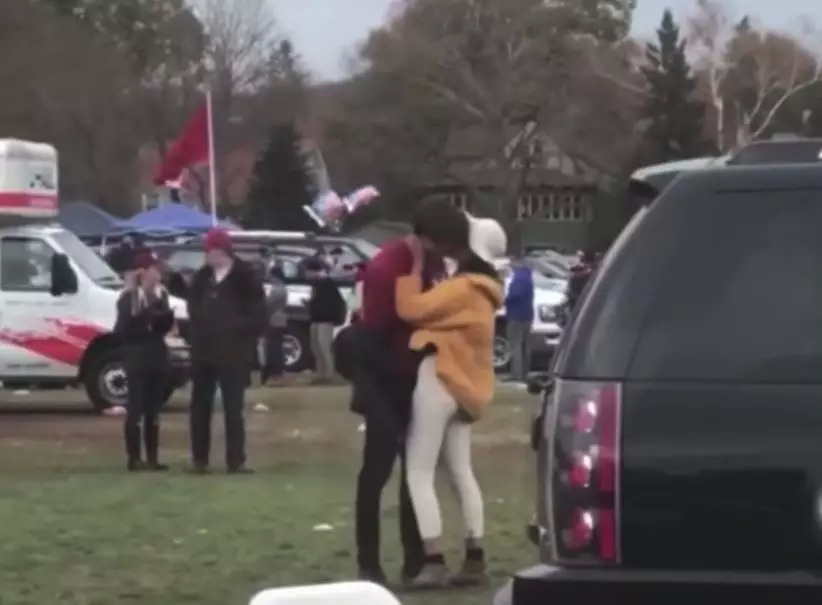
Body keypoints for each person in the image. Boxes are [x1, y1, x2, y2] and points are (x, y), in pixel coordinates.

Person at [339, 200, 467, 585]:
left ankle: (416, 560)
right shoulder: (386, 268)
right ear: (425, 239)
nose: (447, 254)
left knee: (416, 471)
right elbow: (375, 331)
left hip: (411, 377)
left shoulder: (432, 268)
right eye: (444, 245)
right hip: (381, 376)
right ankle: (368, 562)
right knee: (377, 468)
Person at [397, 214, 506, 589]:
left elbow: (410, 308)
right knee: (461, 473)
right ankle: (475, 557)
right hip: (466, 391)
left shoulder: (462, 289)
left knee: (419, 472)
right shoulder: (487, 293)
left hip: (440, 379)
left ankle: (433, 560)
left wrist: (412, 268)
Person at [187, 228, 266, 474]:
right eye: (207, 252)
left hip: (234, 352)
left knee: (233, 407)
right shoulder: (202, 278)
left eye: (212, 251)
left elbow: (257, 314)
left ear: (224, 251)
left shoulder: (245, 277)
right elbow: (192, 308)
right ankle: (199, 459)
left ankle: (236, 460)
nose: (208, 257)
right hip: (204, 352)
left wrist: (233, 329)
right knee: (200, 407)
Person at [114, 250, 175, 472]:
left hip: (156, 356)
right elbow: (122, 329)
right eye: (154, 268)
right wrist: (138, 300)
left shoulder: (162, 294)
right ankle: (134, 458)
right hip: (137, 357)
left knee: (154, 410)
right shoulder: (129, 298)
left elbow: (162, 326)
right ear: (144, 271)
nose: (158, 272)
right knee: (136, 409)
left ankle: (152, 457)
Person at [306, 259, 346, 384]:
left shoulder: (327, 283)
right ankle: (320, 373)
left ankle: (329, 374)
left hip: (325, 319)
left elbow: (331, 303)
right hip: (316, 319)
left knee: (325, 346)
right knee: (316, 347)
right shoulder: (316, 284)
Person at [504, 260, 534, 383]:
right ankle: (524, 373)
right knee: (525, 346)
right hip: (527, 315)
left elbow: (516, 295)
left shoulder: (519, 278)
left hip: (516, 315)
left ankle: (516, 374)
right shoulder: (528, 277)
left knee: (515, 345)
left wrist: (506, 300)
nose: (511, 266)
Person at [263, 266, 289, 386]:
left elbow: (269, 305)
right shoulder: (281, 288)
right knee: (275, 347)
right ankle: (276, 373)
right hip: (278, 320)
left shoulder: (278, 290)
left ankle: (275, 373)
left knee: (274, 348)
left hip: (275, 320)